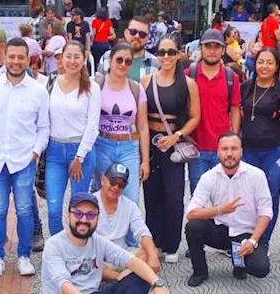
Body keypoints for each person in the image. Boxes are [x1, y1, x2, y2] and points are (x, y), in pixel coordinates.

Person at [42, 192, 171, 294]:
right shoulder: (54, 245)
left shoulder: (98, 242)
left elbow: (133, 261)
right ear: (68, 216)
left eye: (90, 215)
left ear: (97, 217)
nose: (83, 220)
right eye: (78, 213)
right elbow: (62, 284)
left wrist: (158, 284)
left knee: (141, 275)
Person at [0, 38, 49, 278]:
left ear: (28, 60)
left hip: (24, 160)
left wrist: (35, 152)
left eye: (21, 57)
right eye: (12, 57)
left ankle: (24, 257)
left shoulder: (38, 90)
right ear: (5, 57)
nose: (16, 62)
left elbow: (44, 127)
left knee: (25, 210)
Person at [184, 132, 273, 287]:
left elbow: (266, 212)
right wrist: (219, 210)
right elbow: (191, 213)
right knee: (193, 226)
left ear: (241, 151)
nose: (229, 154)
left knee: (261, 269)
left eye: (234, 148)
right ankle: (200, 271)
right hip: (219, 231)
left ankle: (239, 263)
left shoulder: (257, 175)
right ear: (218, 152)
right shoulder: (208, 177)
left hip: (245, 234)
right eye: (225, 149)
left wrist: (253, 241)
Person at [141, 34, 200, 262]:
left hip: (173, 142)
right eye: (162, 52)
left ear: (178, 54)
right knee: (151, 194)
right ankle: (153, 241)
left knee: (174, 195)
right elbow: (141, 119)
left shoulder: (188, 84)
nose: (166, 57)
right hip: (151, 142)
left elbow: (195, 117)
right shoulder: (147, 81)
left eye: (171, 52)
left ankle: (171, 244)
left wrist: (176, 135)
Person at [44, 41, 100, 237]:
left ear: (84, 59)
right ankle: (58, 249)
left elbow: (93, 127)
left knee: (79, 210)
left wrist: (80, 158)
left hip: (81, 152)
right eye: (68, 56)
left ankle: (78, 249)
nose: (72, 61)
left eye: (77, 57)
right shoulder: (49, 83)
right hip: (55, 151)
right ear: (61, 58)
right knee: (53, 207)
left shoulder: (92, 87)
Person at [239, 48, 280, 246]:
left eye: (269, 62)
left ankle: (264, 241)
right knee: (248, 195)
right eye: (261, 62)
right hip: (249, 149)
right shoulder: (245, 87)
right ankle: (246, 236)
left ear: (277, 65)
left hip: (276, 150)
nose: (264, 66)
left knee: (270, 194)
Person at [187, 29, 241, 199]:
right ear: (200, 48)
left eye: (216, 47)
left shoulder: (231, 77)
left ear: (223, 50)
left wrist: (233, 137)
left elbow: (234, 108)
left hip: (222, 148)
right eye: (208, 46)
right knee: (199, 198)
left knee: (225, 198)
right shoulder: (189, 75)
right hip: (197, 147)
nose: (212, 51)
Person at [95, 44, 150, 204]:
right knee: (103, 197)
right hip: (102, 145)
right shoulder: (97, 86)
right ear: (110, 60)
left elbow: (143, 126)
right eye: (119, 60)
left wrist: (145, 160)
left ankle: (128, 230)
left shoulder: (136, 88)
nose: (123, 65)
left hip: (129, 147)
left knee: (131, 200)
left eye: (128, 61)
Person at [95, 164, 160, 280]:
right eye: (113, 182)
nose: (116, 187)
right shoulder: (90, 203)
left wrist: (153, 255)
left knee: (150, 250)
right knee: (89, 262)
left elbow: (141, 231)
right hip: (99, 255)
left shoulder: (130, 205)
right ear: (103, 180)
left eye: (121, 185)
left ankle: (120, 279)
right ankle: (124, 278)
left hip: (122, 254)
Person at [96, 16, 159, 82]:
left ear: (148, 38)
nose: (137, 36)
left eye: (142, 34)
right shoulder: (107, 57)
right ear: (126, 33)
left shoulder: (155, 63)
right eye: (133, 32)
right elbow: (98, 86)